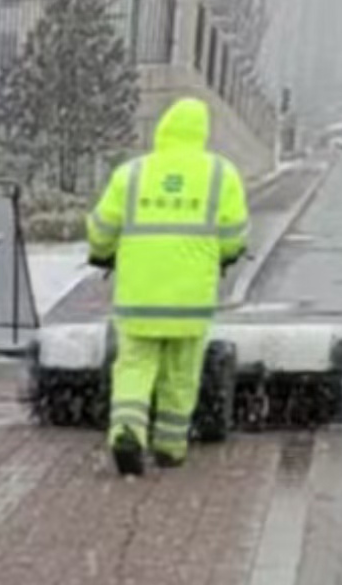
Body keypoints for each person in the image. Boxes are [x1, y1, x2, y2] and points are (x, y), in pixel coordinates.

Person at [84, 95, 251, 476]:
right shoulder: (220, 174)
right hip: (190, 300)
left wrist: (102, 251)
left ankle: (127, 431)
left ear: (163, 130)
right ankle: (170, 446)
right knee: (181, 373)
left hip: (139, 295)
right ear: (203, 134)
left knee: (134, 367)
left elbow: (102, 227)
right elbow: (234, 235)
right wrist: (224, 252)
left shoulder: (133, 173)